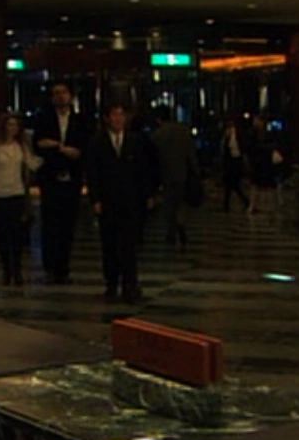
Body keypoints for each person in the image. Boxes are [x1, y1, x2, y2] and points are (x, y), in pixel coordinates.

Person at [85, 104, 156, 304]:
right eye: (114, 115)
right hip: (108, 200)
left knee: (129, 244)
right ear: (107, 118)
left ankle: (130, 284)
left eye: (121, 115)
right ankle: (111, 282)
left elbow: (144, 170)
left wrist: (148, 194)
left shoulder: (136, 141)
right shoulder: (97, 142)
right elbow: (92, 173)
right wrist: (95, 199)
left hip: (131, 200)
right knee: (109, 244)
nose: (118, 119)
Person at [31, 80, 91, 284]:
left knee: (68, 224)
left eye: (63, 92)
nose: (60, 96)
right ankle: (50, 265)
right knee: (50, 223)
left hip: (72, 179)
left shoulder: (80, 120)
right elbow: (39, 145)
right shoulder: (44, 119)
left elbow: (83, 149)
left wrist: (60, 148)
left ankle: (63, 267)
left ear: (70, 96)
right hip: (50, 178)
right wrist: (62, 149)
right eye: (56, 93)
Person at [0, 112, 41, 285]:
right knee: (1, 235)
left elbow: (33, 164)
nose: (12, 128)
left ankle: (17, 268)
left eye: (15, 125)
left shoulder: (20, 146)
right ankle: (6, 269)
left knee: (17, 234)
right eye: (10, 125)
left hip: (16, 193)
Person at [150, 106, 200, 250]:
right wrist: (196, 171)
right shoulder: (183, 132)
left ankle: (171, 230)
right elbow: (191, 155)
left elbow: (153, 157)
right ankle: (180, 223)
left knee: (168, 203)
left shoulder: (157, 135)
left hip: (165, 173)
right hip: (182, 172)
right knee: (180, 202)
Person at [220, 118, 251, 212]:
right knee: (231, 185)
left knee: (232, 184)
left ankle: (229, 204)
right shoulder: (226, 137)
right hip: (229, 163)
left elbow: (241, 150)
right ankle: (227, 204)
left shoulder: (238, 136)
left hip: (236, 162)